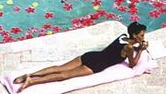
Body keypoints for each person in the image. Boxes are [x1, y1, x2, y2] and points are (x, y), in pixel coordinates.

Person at [13, 22, 148, 92]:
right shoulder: (130, 47)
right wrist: (140, 50)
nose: (143, 37)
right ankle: (31, 82)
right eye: (141, 35)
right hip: (95, 66)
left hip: (91, 56)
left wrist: (138, 45)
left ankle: (28, 75)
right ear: (134, 35)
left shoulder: (123, 37)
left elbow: (118, 49)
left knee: (59, 68)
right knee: (63, 76)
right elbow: (132, 64)